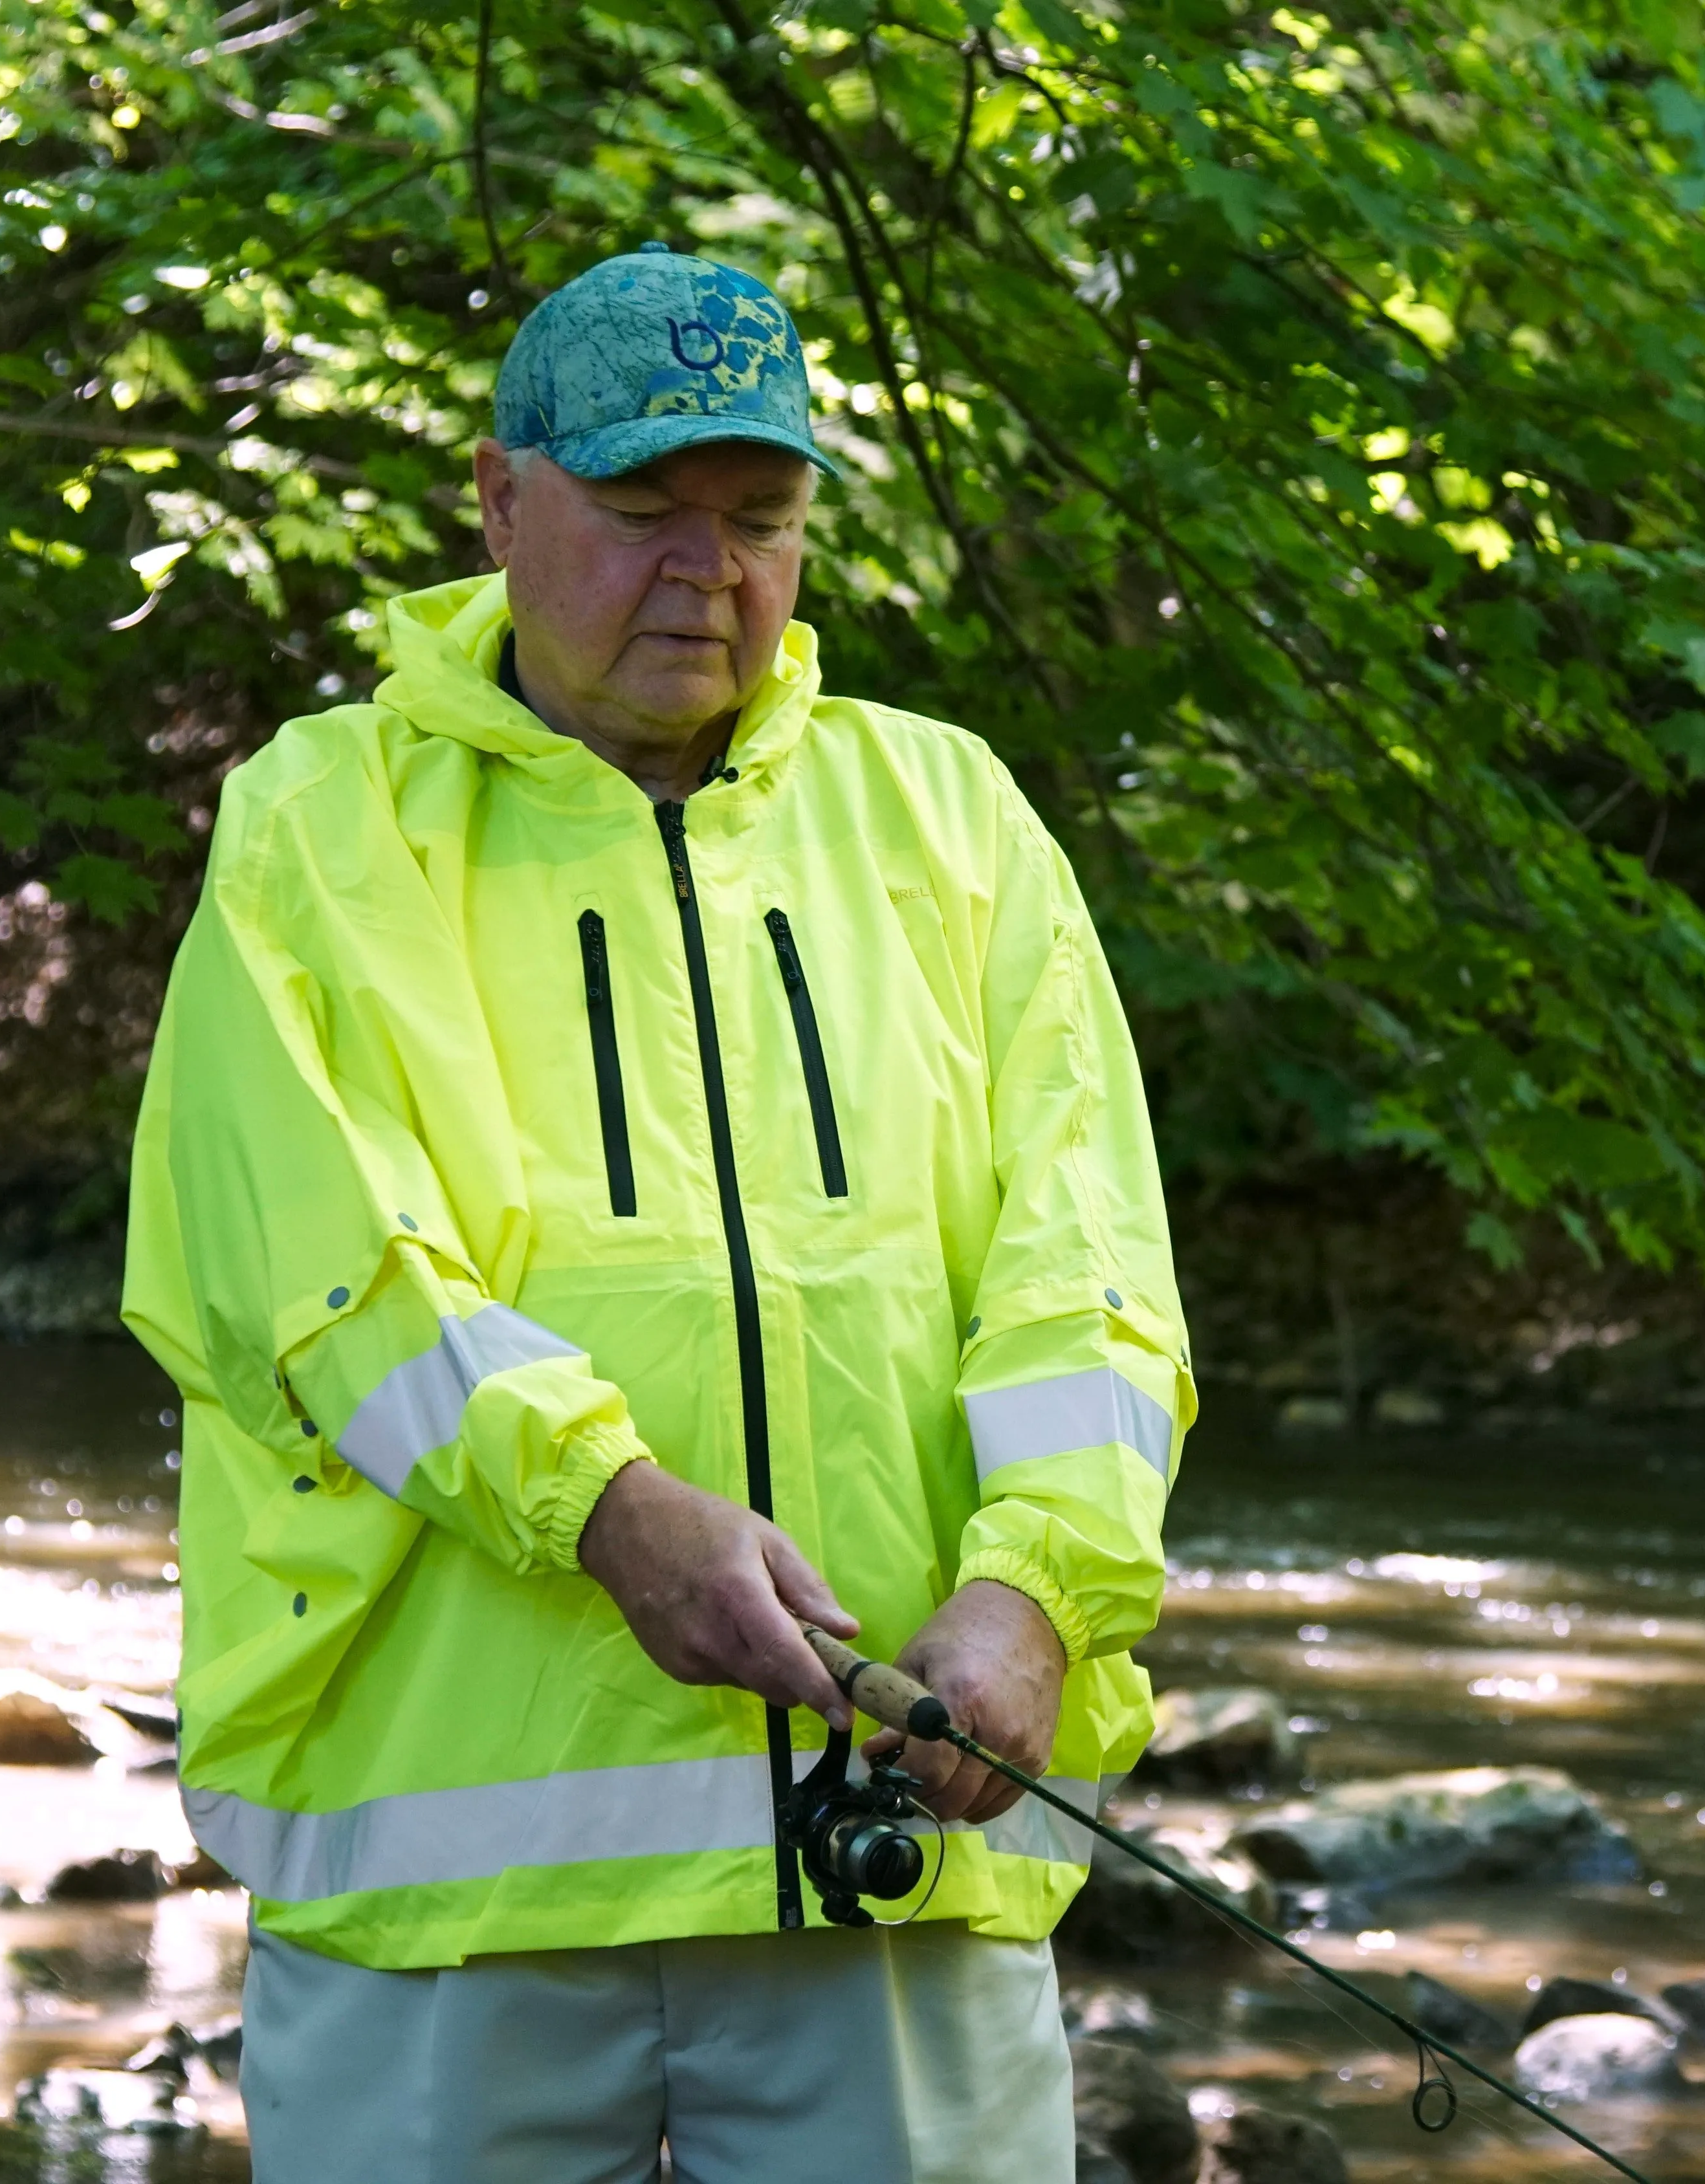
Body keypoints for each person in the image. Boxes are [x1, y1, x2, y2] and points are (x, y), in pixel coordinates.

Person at [122, 244, 1194, 2183]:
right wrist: (605, 1507)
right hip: (447, 1888)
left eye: (761, 519)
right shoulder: (320, 826)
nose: (708, 572)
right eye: (641, 514)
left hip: (899, 1866)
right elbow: (311, 1275)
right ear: (500, 499)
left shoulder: (952, 821)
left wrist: (1037, 1593)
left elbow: (1093, 1273)